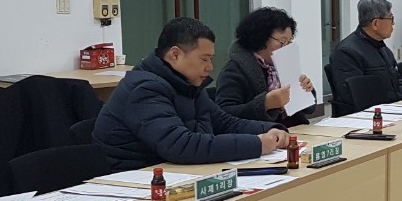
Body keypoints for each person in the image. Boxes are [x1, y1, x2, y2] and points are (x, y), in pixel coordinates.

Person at [93, 18, 289, 170]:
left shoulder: (186, 83)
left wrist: (270, 129)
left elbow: (224, 122)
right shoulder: (145, 90)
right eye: (204, 59)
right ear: (175, 54)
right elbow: (181, 146)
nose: (210, 67)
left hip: (174, 173)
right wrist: (256, 144)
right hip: (134, 181)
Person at [215, 7, 316, 127]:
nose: (286, 48)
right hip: (262, 134)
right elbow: (224, 114)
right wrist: (265, 104)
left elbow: (309, 109)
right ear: (261, 38)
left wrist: (307, 90)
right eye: (282, 42)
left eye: (289, 42)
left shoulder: (284, 65)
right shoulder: (234, 71)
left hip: (297, 130)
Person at [327, 0, 402, 116]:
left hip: (394, 109)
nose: (393, 23)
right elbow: (356, 95)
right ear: (375, 23)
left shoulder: (383, 48)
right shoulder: (347, 52)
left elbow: (399, 80)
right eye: (391, 18)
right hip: (371, 115)